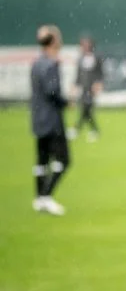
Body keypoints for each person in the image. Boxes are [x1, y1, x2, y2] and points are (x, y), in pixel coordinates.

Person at [30, 25, 71, 216]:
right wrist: (66, 102)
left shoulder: (37, 63)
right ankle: (46, 196)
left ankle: (39, 198)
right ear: (53, 41)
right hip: (52, 120)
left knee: (42, 161)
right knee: (63, 160)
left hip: (38, 119)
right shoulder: (50, 64)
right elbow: (52, 91)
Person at [68, 34, 104, 142]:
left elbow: (100, 74)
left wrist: (98, 84)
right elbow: (78, 75)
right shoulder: (81, 59)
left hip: (91, 89)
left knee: (86, 108)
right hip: (83, 88)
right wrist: (74, 86)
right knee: (86, 110)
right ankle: (93, 130)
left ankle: (77, 129)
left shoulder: (96, 58)